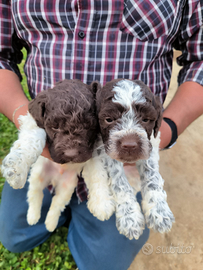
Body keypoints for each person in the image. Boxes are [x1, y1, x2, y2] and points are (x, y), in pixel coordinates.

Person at [0, 1, 202, 269]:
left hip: (124, 162)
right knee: (14, 237)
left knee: (103, 262)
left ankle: (93, 206)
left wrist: (165, 131)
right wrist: (28, 123)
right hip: (49, 146)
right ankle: (65, 203)